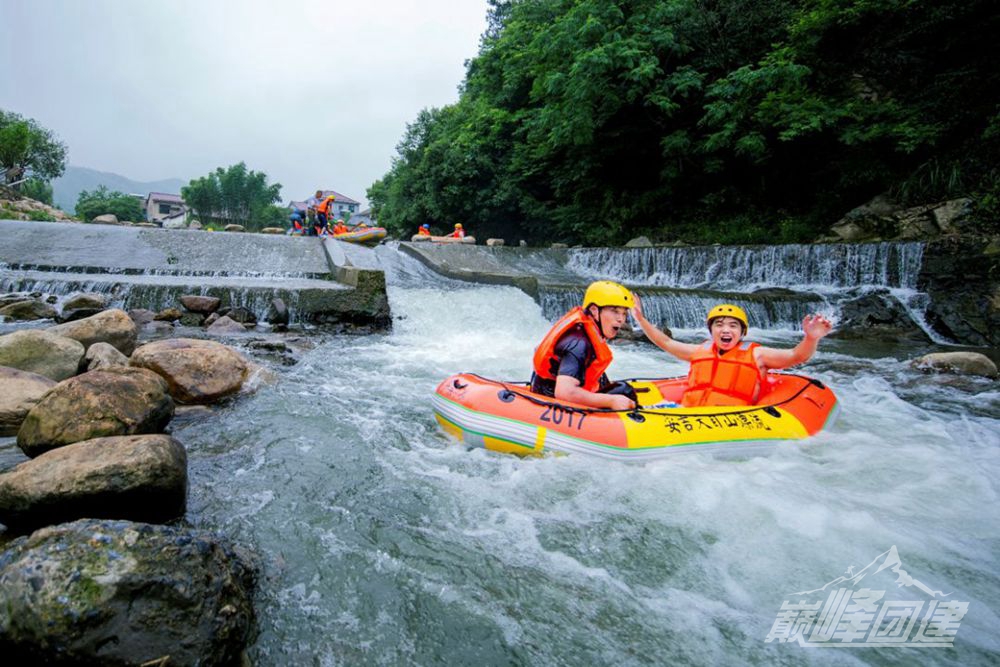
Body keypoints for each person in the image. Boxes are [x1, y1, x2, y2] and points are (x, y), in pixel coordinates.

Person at [631, 300, 833, 407]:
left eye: (733, 326)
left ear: (742, 332)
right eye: (719, 325)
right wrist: (640, 319)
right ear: (711, 331)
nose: (725, 330)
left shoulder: (758, 354)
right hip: (690, 416)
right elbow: (665, 341)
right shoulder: (699, 351)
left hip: (732, 422)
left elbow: (796, 356)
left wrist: (811, 338)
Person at [530, 281, 638, 410]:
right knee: (624, 390)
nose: (621, 319)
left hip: (551, 388)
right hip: (549, 399)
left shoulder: (587, 332)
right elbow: (564, 392)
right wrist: (611, 401)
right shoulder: (578, 342)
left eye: (624, 313)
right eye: (615, 311)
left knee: (618, 388)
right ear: (594, 311)